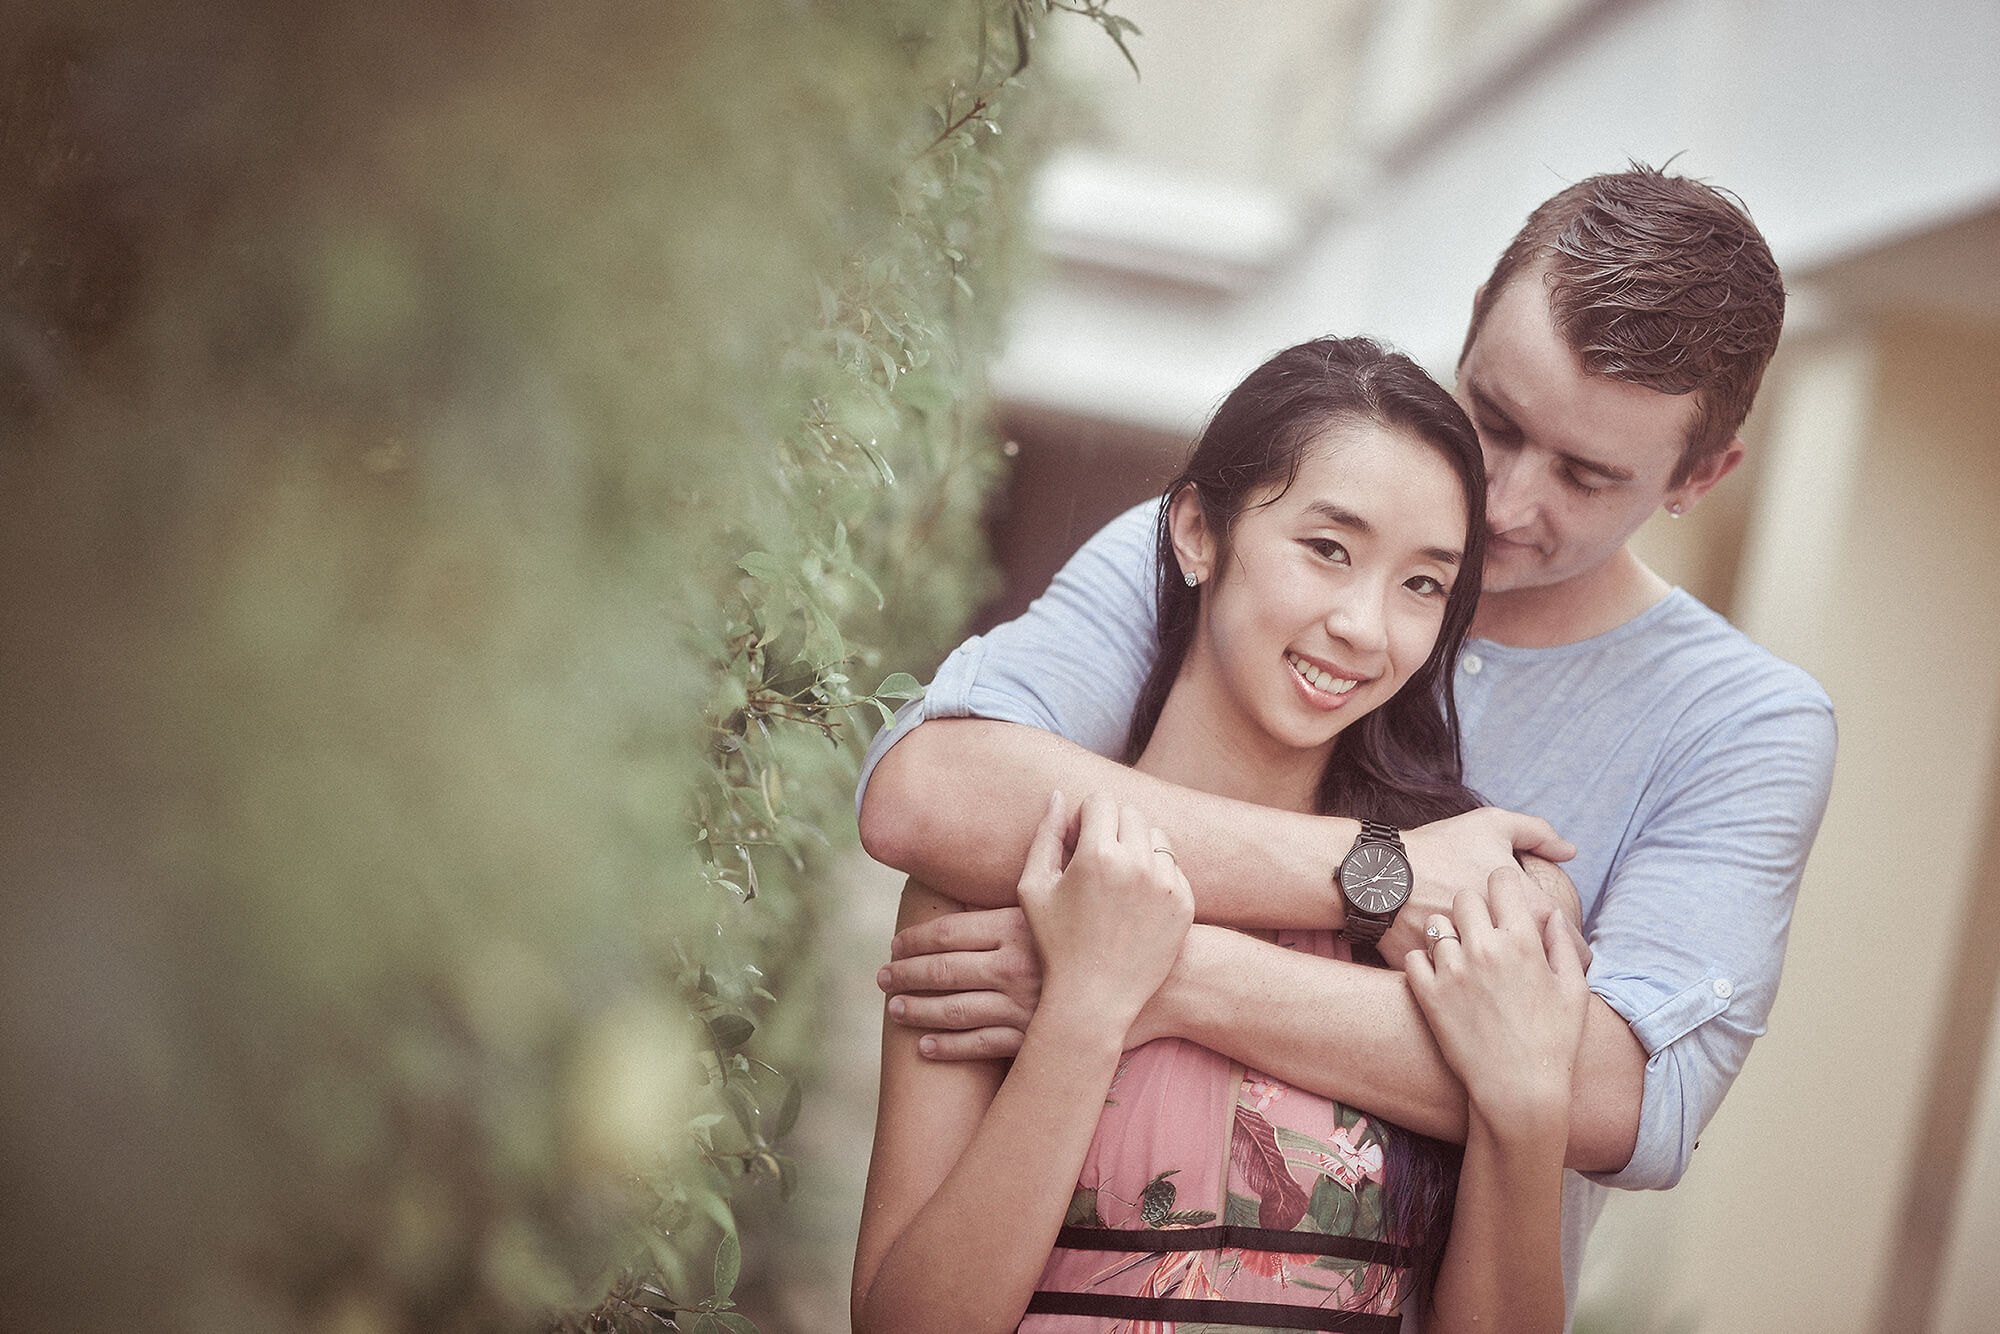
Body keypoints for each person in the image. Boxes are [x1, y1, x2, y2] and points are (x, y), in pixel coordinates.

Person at [856, 164, 1838, 1320]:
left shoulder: (1740, 723)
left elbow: (1612, 1094)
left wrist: (1145, 971)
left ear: (1699, 476)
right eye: (1496, 418)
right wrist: (1387, 877)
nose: (1505, 498)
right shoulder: (1224, 540)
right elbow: (929, 796)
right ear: (1469, 325)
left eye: (1583, 473)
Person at [852, 337, 1591, 1333]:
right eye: (1327, 549)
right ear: (1197, 530)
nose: (1365, 628)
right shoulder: (1002, 875)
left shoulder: (1474, 919)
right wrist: (1087, 1007)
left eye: (1421, 584)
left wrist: (1524, 1106)